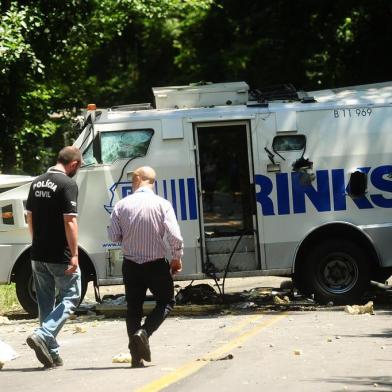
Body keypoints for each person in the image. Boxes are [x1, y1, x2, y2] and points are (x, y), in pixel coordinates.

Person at [108, 166, 183, 368]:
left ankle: (136, 358)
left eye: (133, 179)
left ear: (139, 179)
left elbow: (113, 236)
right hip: (156, 265)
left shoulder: (121, 205)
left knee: (133, 309)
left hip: (131, 265)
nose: (132, 182)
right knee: (166, 302)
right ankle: (145, 332)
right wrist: (176, 258)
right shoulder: (162, 204)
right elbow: (174, 236)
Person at [25, 146, 82, 368]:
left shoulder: (36, 182)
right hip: (60, 254)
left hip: (37, 252)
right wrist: (75, 254)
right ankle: (44, 333)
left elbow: (29, 216)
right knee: (71, 297)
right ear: (74, 164)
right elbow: (70, 220)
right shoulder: (68, 184)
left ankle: (52, 353)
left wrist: (36, 242)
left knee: (46, 303)